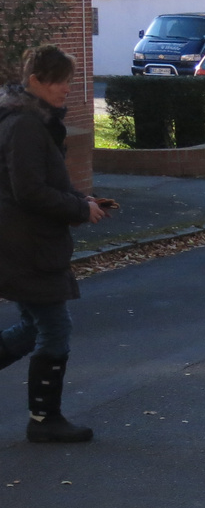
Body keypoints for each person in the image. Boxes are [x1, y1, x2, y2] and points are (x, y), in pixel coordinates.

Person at [0, 44, 111, 443]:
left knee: (36, 325)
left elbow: (37, 185)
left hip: (25, 242)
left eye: (68, 80)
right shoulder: (26, 125)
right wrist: (79, 210)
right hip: (26, 244)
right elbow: (28, 191)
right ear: (35, 82)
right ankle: (45, 420)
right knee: (54, 326)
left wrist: (82, 202)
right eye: (60, 81)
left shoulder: (29, 121)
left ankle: (45, 418)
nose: (67, 89)